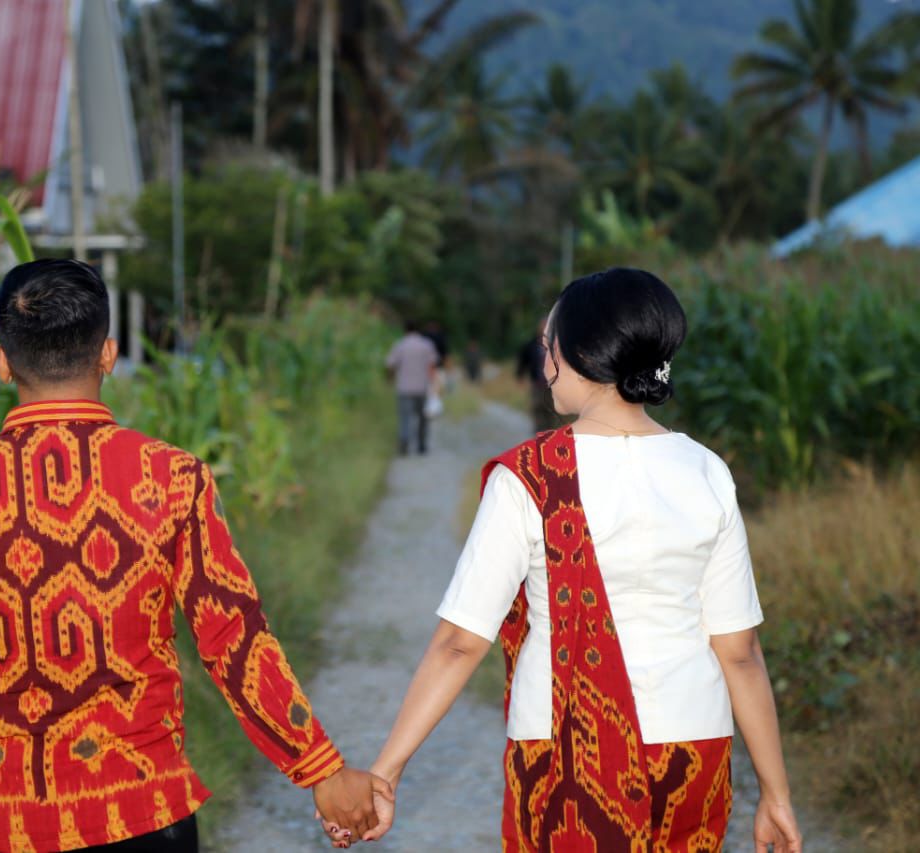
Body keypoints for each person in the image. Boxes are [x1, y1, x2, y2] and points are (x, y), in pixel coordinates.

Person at [0, 259, 389, 853]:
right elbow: (232, 638)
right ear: (109, 355)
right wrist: (320, 769)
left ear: (1, 362)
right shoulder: (171, 478)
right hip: (143, 815)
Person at [336, 268, 803, 852]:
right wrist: (776, 795)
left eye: (547, 345)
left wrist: (386, 770)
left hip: (566, 748)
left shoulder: (529, 476)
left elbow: (459, 644)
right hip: (694, 746)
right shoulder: (708, 471)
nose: (544, 362)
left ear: (578, 354)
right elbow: (740, 653)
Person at [385, 320, 439, 455]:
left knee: (405, 418)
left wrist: (390, 378)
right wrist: (433, 383)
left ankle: (404, 442)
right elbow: (432, 365)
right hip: (422, 387)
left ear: (405, 330)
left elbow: (390, 364)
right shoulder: (426, 345)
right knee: (423, 418)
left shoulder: (400, 345)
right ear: (418, 330)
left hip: (404, 388)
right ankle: (421, 444)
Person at [515, 316, 557, 433]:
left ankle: (550, 434)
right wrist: (520, 375)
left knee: (551, 411)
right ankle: (539, 433)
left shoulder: (556, 345)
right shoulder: (532, 345)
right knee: (537, 408)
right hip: (537, 384)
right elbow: (523, 361)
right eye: (543, 325)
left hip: (553, 385)